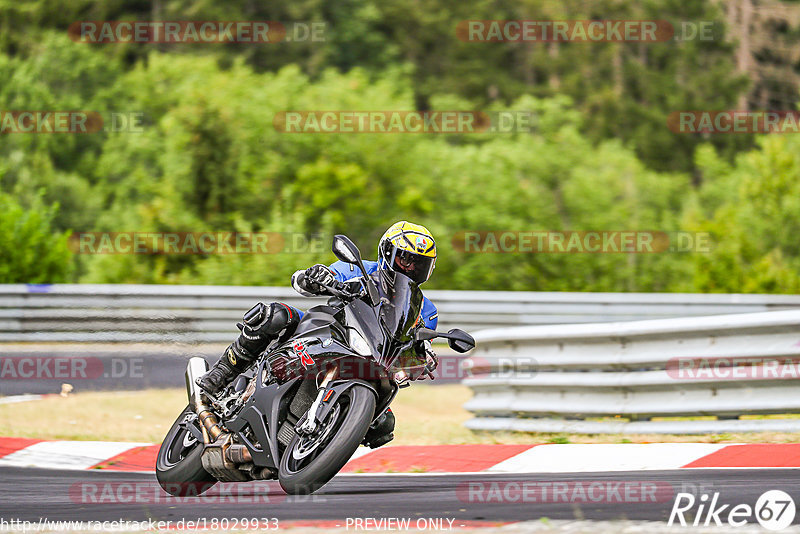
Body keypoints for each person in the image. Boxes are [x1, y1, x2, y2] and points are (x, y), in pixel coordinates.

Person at [196, 221, 440, 448]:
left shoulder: (425, 310)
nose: (411, 268)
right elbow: (311, 279)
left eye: (420, 264)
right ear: (387, 253)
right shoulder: (361, 268)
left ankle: (327, 438)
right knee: (275, 315)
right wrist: (316, 277)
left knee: (383, 427)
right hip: (329, 331)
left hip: (374, 362)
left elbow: (417, 348)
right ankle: (221, 374)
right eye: (406, 259)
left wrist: (425, 359)